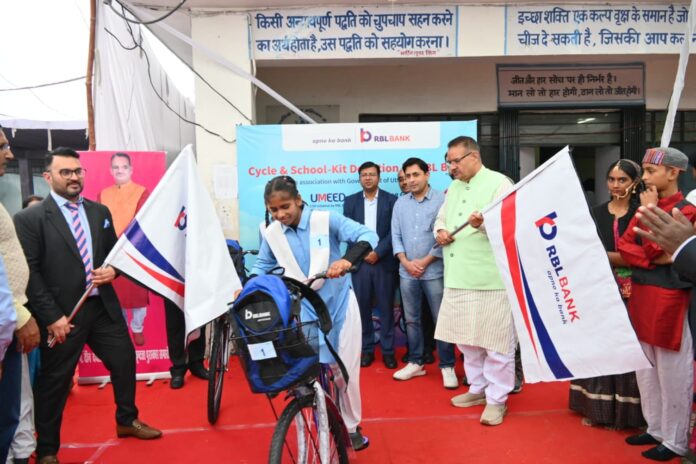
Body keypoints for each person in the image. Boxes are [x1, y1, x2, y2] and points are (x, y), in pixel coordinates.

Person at [14, 147, 161, 464]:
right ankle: (48, 450)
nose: (73, 177)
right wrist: (51, 316)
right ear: (48, 177)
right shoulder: (29, 219)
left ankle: (126, 420)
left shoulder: (99, 212)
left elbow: (113, 255)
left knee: (124, 361)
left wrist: (113, 271)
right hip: (63, 316)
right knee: (55, 382)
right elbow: (30, 273)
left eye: (77, 171)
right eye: (65, 172)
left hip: (102, 308)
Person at [250, 175, 378, 451]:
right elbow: (262, 265)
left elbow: (368, 236)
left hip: (340, 305)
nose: (280, 214)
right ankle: (320, 416)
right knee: (311, 370)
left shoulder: (325, 219)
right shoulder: (272, 233)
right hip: (305, 310)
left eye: (285, 206)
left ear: (298, 200)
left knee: (345, 371)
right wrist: (247, 288)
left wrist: (346, 260)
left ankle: (351, 426)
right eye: (274, 210)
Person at [618, 147, 696, 462]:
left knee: (672, 372)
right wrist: (654, 259)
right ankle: (655, 428)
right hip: (643, 294)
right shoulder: (647, 205)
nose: (645, 177)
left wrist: (649, 213)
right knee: (646, 369)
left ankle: (675, 440)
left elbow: (653, 247)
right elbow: (625, 246)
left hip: (670, 299)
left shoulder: (686, 211)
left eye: (650, 171)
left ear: (674, 173)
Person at [434, 136, 516, 426]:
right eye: (449, 162)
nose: (452, 167)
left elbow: (511, 226)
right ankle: (478, 388)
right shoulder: (454, 187)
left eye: (456, 161)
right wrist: (440, 231)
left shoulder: (499, 184)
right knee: (467, 341)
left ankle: (497, 399)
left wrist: (484, 226)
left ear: (474, 156)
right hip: (457, 277)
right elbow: (441, 218)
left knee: (496, 343)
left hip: (491, 280)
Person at [569, 159, 645, 430]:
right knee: (600, 346)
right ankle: (596, 408)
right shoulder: (596, 213)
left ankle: (630, 414)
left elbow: (640, 256)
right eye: (611, 179)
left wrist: (603, 255)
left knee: (627, 348)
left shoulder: (642, 214)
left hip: (635, 291)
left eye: (622, 180)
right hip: (598, 288)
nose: (615, 185)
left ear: (635, 183)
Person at [391, 157, 457, 389]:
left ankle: (447, 365)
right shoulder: (400, 204)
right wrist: (405, 261)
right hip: (406, 272)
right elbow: (396, 236)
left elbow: (446, 234)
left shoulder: (442, 200)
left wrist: (426, 260)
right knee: (411, 320)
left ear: (427, 175)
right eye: (407, 176)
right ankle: (415, 362)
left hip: (434, 270)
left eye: (415, 175)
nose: (411, 180)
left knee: (441, 319)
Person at [0, 127, 40, 464]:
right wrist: (18, 313)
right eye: (2, 147)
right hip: (7, 321)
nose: (9, 154)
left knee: (14, 404)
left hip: (10, 321)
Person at [343, 162, 399, 369]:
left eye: (372, 174)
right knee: (363, 309)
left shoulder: (391, 200)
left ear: (379, 177)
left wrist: (378, 252)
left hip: (384, 263)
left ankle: (388, 351)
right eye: (364, 175)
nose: (368, 178)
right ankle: (366, 349)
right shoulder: (350, 202)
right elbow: (348, 231)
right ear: (359, 178)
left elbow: (394, 231)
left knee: (386, 309)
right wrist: (363, 253)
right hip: (360, 263)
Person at [97, 153, 149, 346]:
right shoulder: (103, 194)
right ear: (111, 171)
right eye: (116, 167)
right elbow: (98, 222)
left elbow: (142, 222)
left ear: (130, 170)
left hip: (134, 251)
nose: (120, 170)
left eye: (124, 167)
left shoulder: (142, 192)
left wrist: (125, 244)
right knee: (115, 297)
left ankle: (137, 328)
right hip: (111, 253)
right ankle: (122, 329)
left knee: (138, 297)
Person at [634, 204, 696, 284]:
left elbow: (654, 251)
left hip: (666, 282)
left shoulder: (687, 208)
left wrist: (685, 247)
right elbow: (624, 245)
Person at [164, 297, 208, 389]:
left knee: (198, 316)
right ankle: (178, 369)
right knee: (174, 319)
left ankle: (196, 362)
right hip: (174, 288)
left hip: (197, 288)